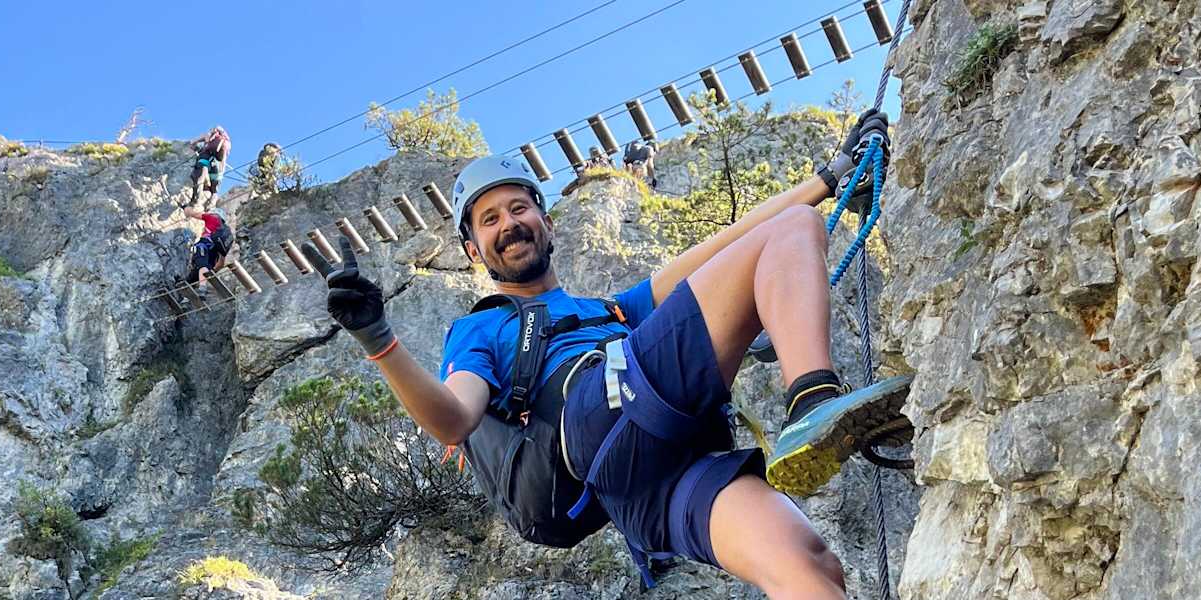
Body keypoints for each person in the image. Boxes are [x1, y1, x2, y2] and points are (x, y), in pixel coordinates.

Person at [301, 110, 905, 598]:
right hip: (597, 415)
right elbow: (454, 419)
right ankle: (812, 403)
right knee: (796, 229)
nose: (508, 224)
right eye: (489, 220)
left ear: (546, 221)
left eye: (518, 208)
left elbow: (728, 243)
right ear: (472, 249)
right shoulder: (480, 330)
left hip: (654, 485)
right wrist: (378, 339)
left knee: (811, 567)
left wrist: (829, 179)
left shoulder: (614, 310)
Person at [182, 205, 234, 288]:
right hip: (214, 257)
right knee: (197, 274)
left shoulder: (212, 217)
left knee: (202, 265)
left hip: (204, 246)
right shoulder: (226, 234)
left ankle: (202, 288)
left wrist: (185, 207)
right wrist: (212, 271)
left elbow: (192, 213)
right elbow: (221, 263)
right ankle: (191, 288)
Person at [188, 126, 231, 206]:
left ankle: (196, 200)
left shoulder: (208, 136)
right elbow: (222, 159)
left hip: (206, 161)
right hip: (217, 168)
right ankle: (211, 204)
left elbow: (192, 142)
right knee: (214, 191)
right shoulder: (225, 143)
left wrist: (197, 147)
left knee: (200, 179)